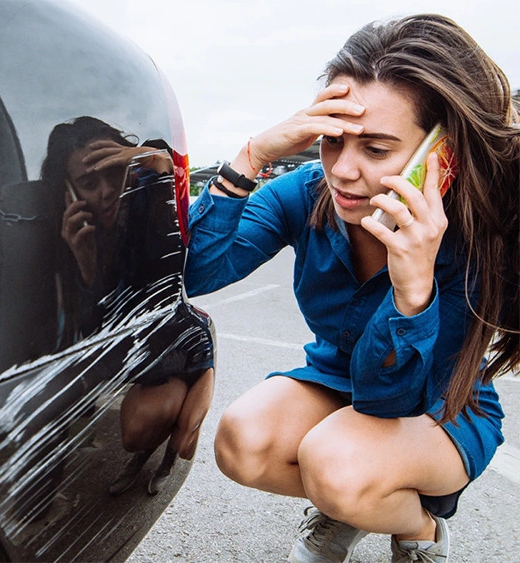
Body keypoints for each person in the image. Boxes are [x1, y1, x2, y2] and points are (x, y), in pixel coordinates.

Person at [184, 14, 518, 562]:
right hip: (338, 381)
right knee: (242, 441)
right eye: (332, 141)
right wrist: (252, 157)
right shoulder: (305, 192)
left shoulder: (478, 234)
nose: (342, 170)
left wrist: (413, 291)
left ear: (442, 156)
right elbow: (197, 271)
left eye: (377, 149)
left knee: (338, 464)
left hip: (440, 406)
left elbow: (393, 399)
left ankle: (417, 528)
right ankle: (353, 501)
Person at [41, 116, 215, 495]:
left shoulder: (143, 210)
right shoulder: (63, 237)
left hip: (183, 343)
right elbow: (92, 333)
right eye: (89, 183)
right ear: (66, 191)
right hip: (144, 351)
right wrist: (86, 266)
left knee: (184, 440)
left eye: (115, 172)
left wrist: (154, 160)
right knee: (137, 433)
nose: (108, 191)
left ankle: (165, 464)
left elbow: (166, 272)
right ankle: (136, 463)